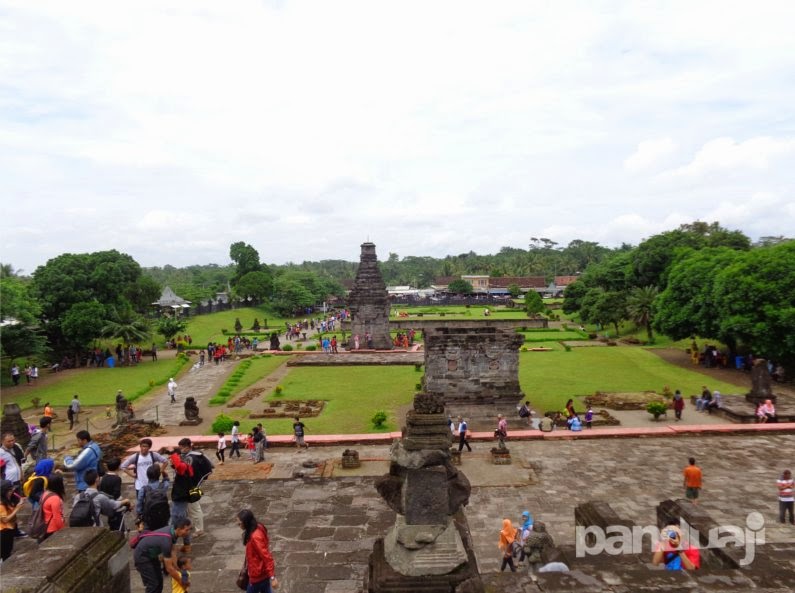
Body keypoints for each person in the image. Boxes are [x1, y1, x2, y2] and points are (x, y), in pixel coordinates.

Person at [169, 438, 213, 551]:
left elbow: (183, 469)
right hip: (189, 486)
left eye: (182, 447)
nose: (181, 449)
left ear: (188, 447)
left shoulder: (192, 457)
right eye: (180, 447)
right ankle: (193, 527)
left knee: (195, 507)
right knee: (190, 508)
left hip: (191, 487)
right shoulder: (189, 456)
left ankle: (199, 530)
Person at [133, 517, 192, 593]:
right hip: (142, 557)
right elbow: (169, 568)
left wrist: (178, 569)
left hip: (151, 555)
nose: (188, 532)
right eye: (186, 530)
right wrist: (181, 582)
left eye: (190, 529)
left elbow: (173, 551)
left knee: (159, 581)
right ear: (179, 529)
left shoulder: (173, 531)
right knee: (153, 584)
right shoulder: (166, 541)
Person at [122, 438, 168, 518]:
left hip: (152, 485)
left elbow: (165, 461)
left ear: (149, 447)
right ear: (140, 446)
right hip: (140, 485)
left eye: (146, 446)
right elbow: (123, 466)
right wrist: (132, 475)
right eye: (142, 446)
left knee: (153, 503)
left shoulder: (153, 455)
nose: (144, 448)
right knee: (141, 503)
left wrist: (160, 471)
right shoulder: (135, 457)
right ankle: (142, 518)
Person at [237, 509, 278, 592]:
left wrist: (273, 577)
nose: (238, 525)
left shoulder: (255, 537)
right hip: (262, 573)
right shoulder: (258, 527)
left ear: (246, 522)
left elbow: (266, 556)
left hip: (257, 576)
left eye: (239, 523)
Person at [0, 479, 25, 560]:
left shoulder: (7, 500)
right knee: (5, 553)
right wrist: (17, 508)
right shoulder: (1, 505)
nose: (12, 492)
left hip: (10, 529)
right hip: (4, 531)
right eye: (10, 490)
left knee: (8, 551)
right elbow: (5, 520)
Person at [40, 473, 66, 541]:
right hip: (53, 528)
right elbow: (57, 517)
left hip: (46, 526)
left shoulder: (45, 494)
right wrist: (63, 530)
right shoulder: (55, 498)